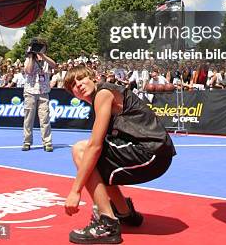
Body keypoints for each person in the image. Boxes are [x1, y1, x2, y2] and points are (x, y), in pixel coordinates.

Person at [63, 64, 176, 244]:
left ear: (92, 77)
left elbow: (94, 147)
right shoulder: (102, 97)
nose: (79, 85)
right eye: (73, 85)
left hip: (150, 151)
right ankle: (125, 213)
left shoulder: (103, 93)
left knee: (81, 150)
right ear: (73, 94)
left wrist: (75, 191)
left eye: (81, 78)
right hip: (156, 152)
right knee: (97, 163)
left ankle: (108, 224)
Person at [22, 37, 56, 152]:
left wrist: (42, 55)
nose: (39, 49)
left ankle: (47, 142)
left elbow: (54, 65)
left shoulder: (46, 60)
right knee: (29, 118)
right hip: (30, 91)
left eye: (42, 47)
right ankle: (27, 141)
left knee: (45, 118)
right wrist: (31, 55)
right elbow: (29, 71)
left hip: (43, 92)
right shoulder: (28, 59)